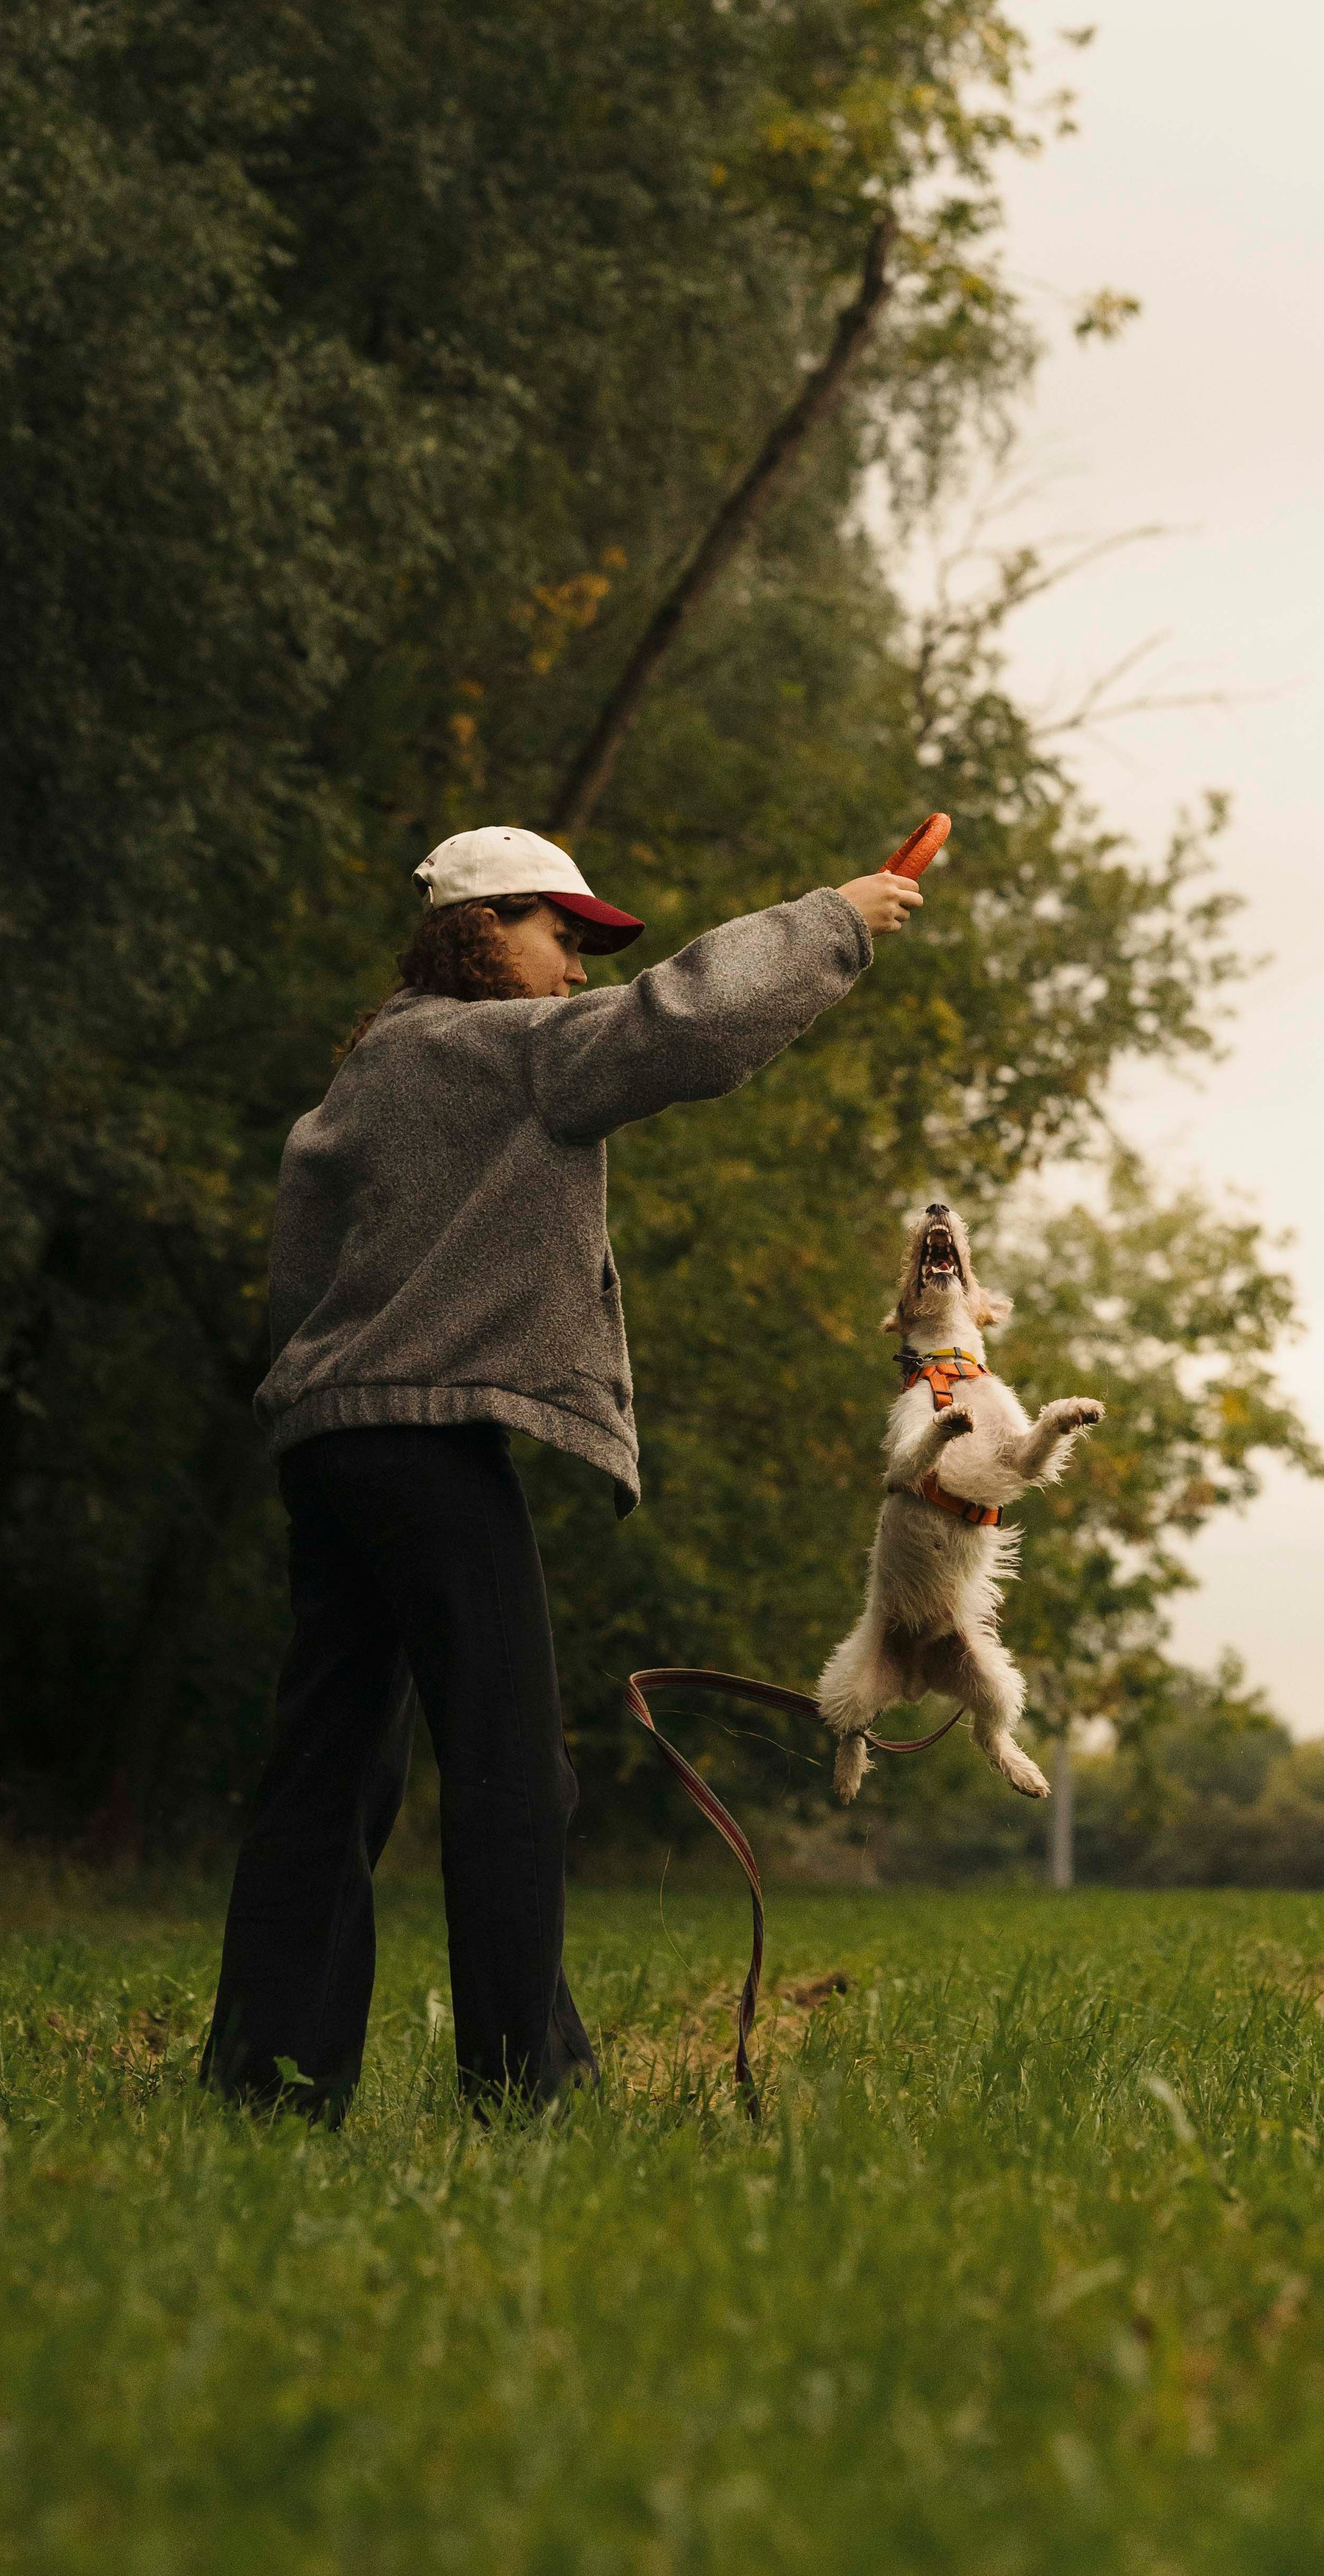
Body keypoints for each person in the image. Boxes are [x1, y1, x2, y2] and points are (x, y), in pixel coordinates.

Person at [201, 825, 922, 2119]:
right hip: (424, 1449)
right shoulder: (499, 1051)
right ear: (486, 929)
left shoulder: (369, 1070)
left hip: (329, 1445)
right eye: (563, 935)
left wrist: (328, 1398)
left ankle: (269, 2083)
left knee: (329, 1768)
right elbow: (677, 1027)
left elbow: (298, 1281)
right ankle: (523, 2089)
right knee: (513, 1769)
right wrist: (839, 919)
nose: (582, 967)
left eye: (589, 946)